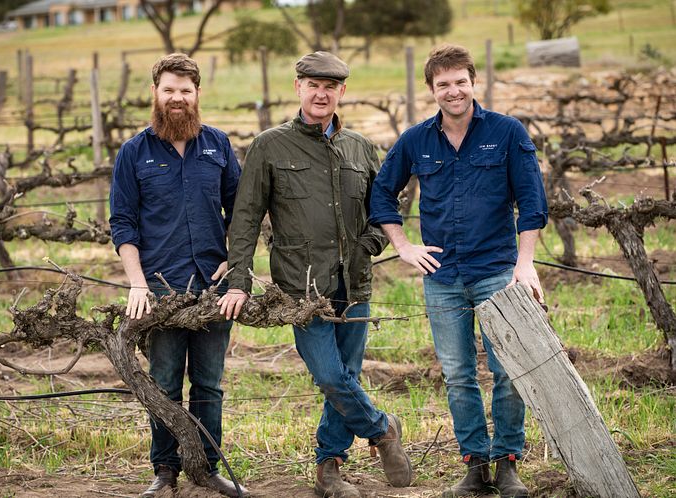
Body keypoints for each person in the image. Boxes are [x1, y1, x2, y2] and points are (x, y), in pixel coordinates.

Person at [217, 51, 413, 498]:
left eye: (330, 86)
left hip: (355, 282)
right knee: (328, 374)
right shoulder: (270, 145)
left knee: (347, 373)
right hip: (300, 287)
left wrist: (371, 246)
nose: (321, 93)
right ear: (298, 88)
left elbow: (387, 208)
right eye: (312, 85)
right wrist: (238, 279)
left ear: (342, 92)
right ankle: (383, 430)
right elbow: (245, 217)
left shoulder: (360, 147)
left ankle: (329, 468)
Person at [369, 44, 548, 498]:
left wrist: (524, 265)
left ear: (473, 82)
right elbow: (381, 195)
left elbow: (532, 202)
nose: (453, 91)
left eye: (460, 81)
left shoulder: (507, 132)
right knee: (458, 374)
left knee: (510, 370)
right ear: (432, 89)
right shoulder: (415, 140)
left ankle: (508, 463)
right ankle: (475, 466)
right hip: (442, 278)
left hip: (497, 273)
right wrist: (403, 245)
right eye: (443, 84)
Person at [109, 53, 246, 498]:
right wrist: (136, 283)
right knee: (165, 382)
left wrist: (236, 260)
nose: (177, 98)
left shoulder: (218, 145)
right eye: (169, 90)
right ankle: (164, 471)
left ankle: (206, 470)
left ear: (197, 95)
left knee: (208, 383)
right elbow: (123, 223)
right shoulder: (134, 152)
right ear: (156, 93)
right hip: (161, 292)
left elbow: (240, 211)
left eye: (185, 91)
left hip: (213, 288)